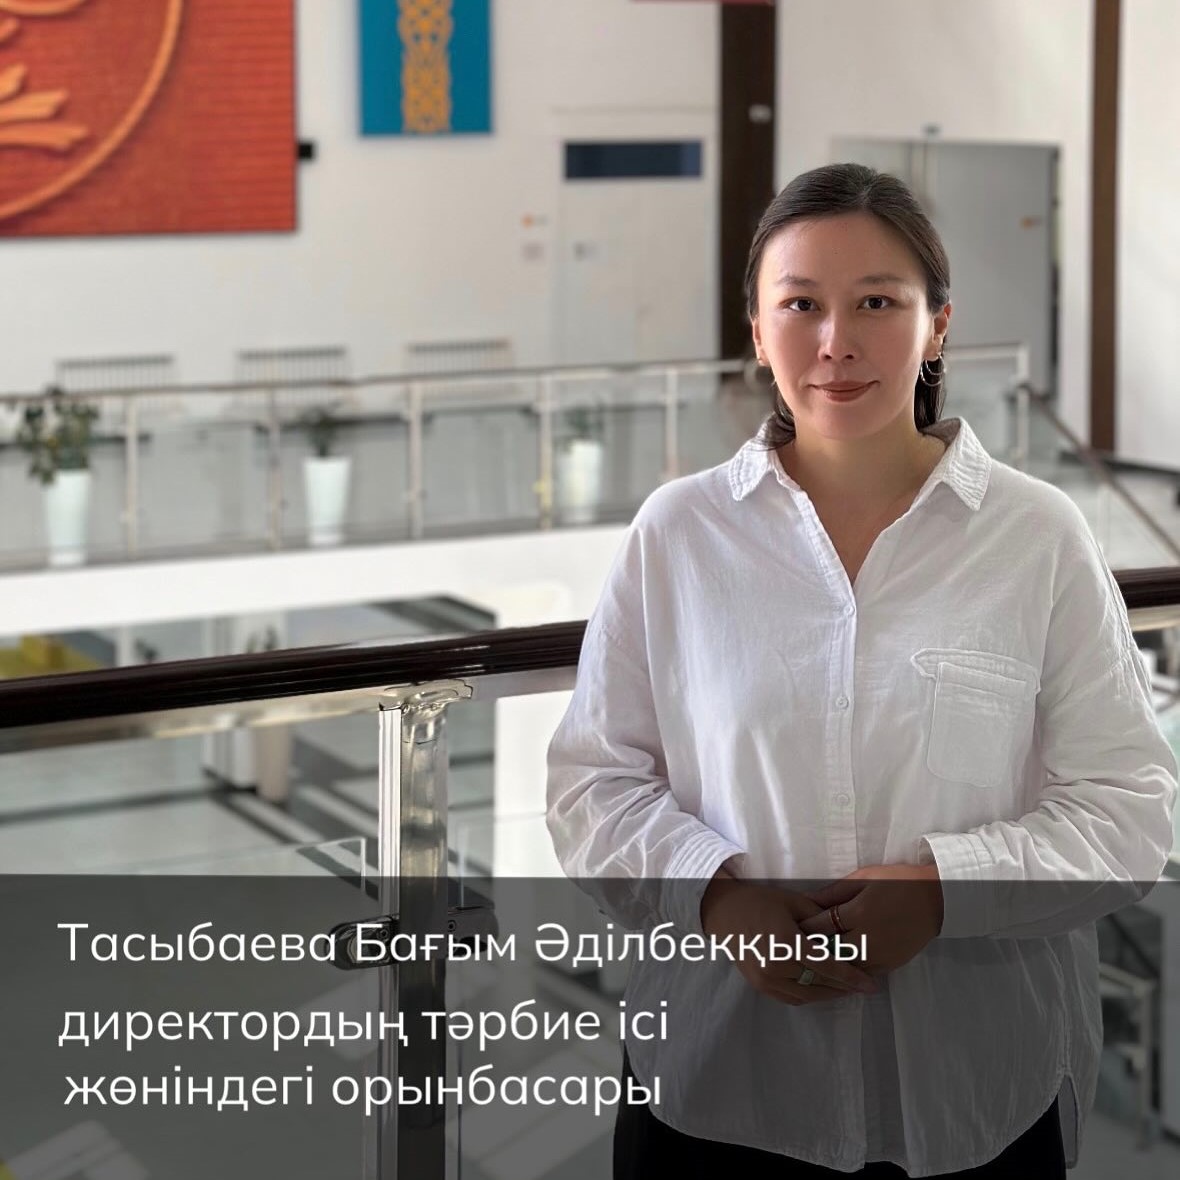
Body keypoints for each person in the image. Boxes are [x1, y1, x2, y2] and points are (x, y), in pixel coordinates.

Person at [545, 163, 1178, 1178]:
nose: (836, 341)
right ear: (758, 333)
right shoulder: (679, 533)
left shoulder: (1035, 536)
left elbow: (1128, 808)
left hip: (973, 1100)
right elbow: (592, 784)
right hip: (718, 1088)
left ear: (937, 328)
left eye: (877, 302)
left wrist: (945, 891)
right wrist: (715, 896)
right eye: (800, 305)